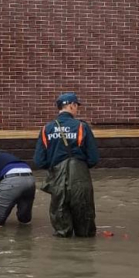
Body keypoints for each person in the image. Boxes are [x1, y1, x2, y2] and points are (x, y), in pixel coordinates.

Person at [34, 92, 99, 237]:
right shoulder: (82, 127)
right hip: (80, 181)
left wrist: (56, 166)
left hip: (57, 180)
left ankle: (63, 255)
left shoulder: (46, 129)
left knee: (61, 223)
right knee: (85, 224)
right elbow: (94, 158)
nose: (77, 110)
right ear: (71, 105)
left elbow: (39, 161)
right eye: (76, 106)